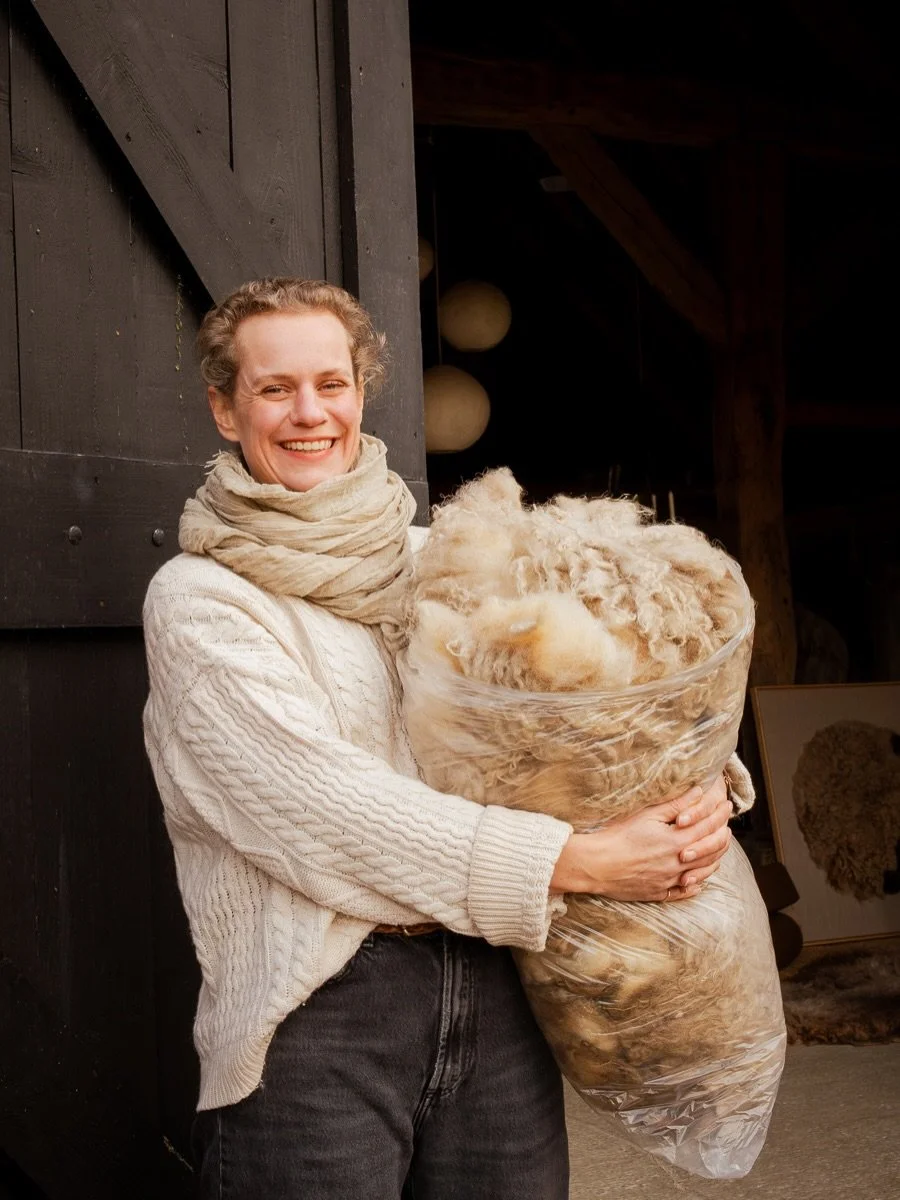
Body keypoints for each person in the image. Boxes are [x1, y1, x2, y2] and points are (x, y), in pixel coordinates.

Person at [142, 278, 745, 1200]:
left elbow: (590, 705)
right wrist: (576, 863)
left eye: (331, 383)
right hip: (320, 1012)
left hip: (501, 985)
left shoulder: (441, 556)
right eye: (274, 389)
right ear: (226, 409)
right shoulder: (202, 599)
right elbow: (322, 809)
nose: (310, 413)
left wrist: (693, 785)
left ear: (359, 391)